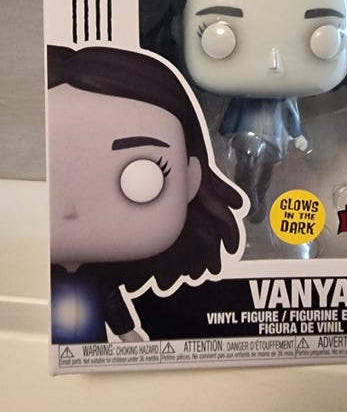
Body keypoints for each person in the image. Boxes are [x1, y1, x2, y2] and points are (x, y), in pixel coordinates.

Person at [48, 44, 245, 344]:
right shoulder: (39, 275)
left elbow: (113, 305)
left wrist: (129, 334)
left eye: (142, 176)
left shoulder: (99, 279)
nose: (72, 208)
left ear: (191, 176)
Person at [178, 0, 347, 221]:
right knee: (246, 165)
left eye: (323, 37)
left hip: (274, 143)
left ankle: (255, 200)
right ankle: (247, 198)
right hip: (246, 141)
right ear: (180, 27)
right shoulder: (248, 102)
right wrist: (221, 136)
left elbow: (291, 120)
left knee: (268, 169)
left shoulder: (283, 102)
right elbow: (232, 120)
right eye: (219, 39)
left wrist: (299, 138)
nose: (274, 62)